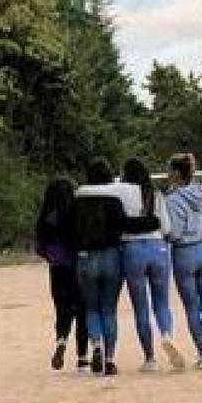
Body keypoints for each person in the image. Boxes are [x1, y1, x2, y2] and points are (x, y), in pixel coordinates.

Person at [117, 158, 184, 372]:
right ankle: (166, 334)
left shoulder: (122, 194)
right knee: (162, 303)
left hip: (132, 249)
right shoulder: (156, 195)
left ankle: (149, 357)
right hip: (158, 248)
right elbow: (166, 227)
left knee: (141, 308)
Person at [68, 158, 128, 376]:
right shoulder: (115, 201)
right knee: (109, 310)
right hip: (112, 256)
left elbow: (70, 232)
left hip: (85, 257)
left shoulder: (77, 202)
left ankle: (96, 346)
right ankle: (110, 359)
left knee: (91, 309)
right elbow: (123, 228)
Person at [166, 153, 202, 368]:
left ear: (177, 173)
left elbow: (175, 232)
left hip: (184, 251)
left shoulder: (173, 199)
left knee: (192, 305)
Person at [35, 177, 89, 372]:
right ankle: (83, 357)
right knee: (82, 310)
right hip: (77, 266)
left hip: (57, 268)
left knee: (62, 308)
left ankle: (61, 340)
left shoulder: (46, 217)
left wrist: (52, 256)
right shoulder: (77, 214)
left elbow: (40, 248)